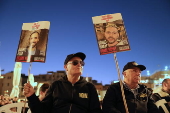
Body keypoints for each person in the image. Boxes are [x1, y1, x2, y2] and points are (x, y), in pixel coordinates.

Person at [23, 52, 102, 113]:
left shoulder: (89, 87)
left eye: (82, 63)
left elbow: (95, 111)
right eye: (75, 63)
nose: (79, 65)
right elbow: (42, 110)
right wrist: (31, 97)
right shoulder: (56, 85)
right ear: (65, 67)